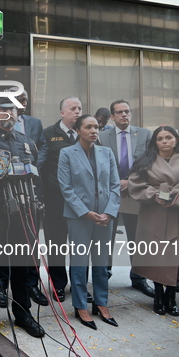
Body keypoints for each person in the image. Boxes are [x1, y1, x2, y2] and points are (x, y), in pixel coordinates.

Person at [0, 98, 45, 340]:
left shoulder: (27, 143)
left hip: (22, 214)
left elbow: (35, 176)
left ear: (18, 113)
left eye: (12, 110)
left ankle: (23, 312)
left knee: (22, 263)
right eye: (3, 109)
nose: (8, 114)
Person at [58, 115, 120, 330]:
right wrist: (86, 212)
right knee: (79, 262)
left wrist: (109, 212)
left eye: (96, 127)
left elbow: (115, 185)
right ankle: (80, 305)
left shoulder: (107, 152)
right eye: (88, 127)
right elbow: (66, 188)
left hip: (105, 217)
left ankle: (102, 303)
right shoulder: (66, 153)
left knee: (102, 263)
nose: (94, 130)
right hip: (78, 217)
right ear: (78, 130)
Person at [128, 126, 179, 316]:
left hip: (178, 213)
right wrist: (156, 194)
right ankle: (159, 296)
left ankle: (172, 297)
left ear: (176, 139)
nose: (164, 141)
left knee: (176, 256)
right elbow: (136, 184)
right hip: (153, 213)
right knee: (157, 257)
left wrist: (172, 195)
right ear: (155, 142)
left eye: (168, 137)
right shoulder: (145, 160)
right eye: (160, 138)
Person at [99, 100, 154, 298]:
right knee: (106, 238)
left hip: (135, 193)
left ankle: (139, 278)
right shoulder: (103, 136)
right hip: (111, 194)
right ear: (112, 117)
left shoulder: (145, 134)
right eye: (119, 112)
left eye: (127, 111)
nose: (124, 115)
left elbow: (150, 162)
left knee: (137, 237)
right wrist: (117, 182)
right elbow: (100, 162)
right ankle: (103, 275)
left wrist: (131, 182)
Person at [38, 96, 82, 303]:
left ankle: (79, 283)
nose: (78, 112)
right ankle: (57, 285)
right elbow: (41, 166)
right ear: (62, 113)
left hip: (80, 202)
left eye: (80, 108)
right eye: (73, 108)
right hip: (55, 200)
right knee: (57, 244)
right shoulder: (48, 134)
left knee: (80, 245)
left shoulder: (86, 133)